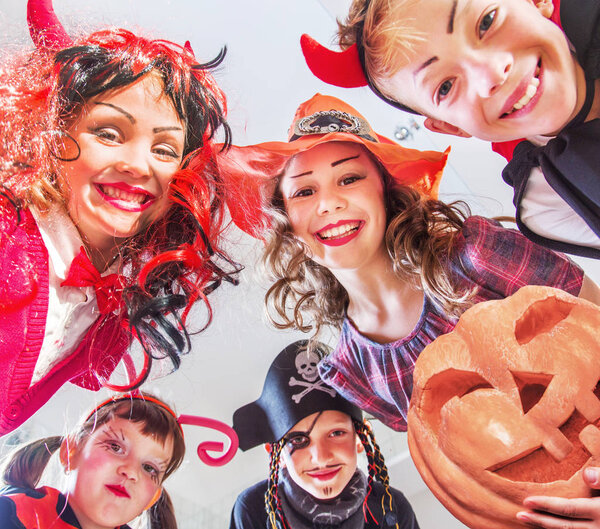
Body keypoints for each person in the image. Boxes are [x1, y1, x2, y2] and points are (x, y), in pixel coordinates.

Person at [218, 93, 600, 528]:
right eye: (305, 190)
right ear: (287, 219)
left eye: (349, 179)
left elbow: (596, 322)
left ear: (384, 187)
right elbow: (462, 471)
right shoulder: (351, 369)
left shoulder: (475, 256)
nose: (329, 204)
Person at [0, 0, 240, 435]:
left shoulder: (115, 316)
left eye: (165, 149)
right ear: (53, 135)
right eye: (109, 133)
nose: (138, 165)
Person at [300, 0, 600, 259]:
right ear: (450, 126)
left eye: (486, 22)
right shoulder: (546, 202)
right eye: (445, 86)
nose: (492, 75)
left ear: (535, 1)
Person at [230, 340, 419, 529]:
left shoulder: (393, 509)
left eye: (336, 433)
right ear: (275, 454)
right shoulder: (253, 511)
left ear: (360, 438)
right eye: (298, 440)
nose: (321, 458)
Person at [0, 393, 185, 529]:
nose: (130, 471)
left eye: (149, 468)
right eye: (115, 447)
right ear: (70, 451)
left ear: (152, 499)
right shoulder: (12, 512)